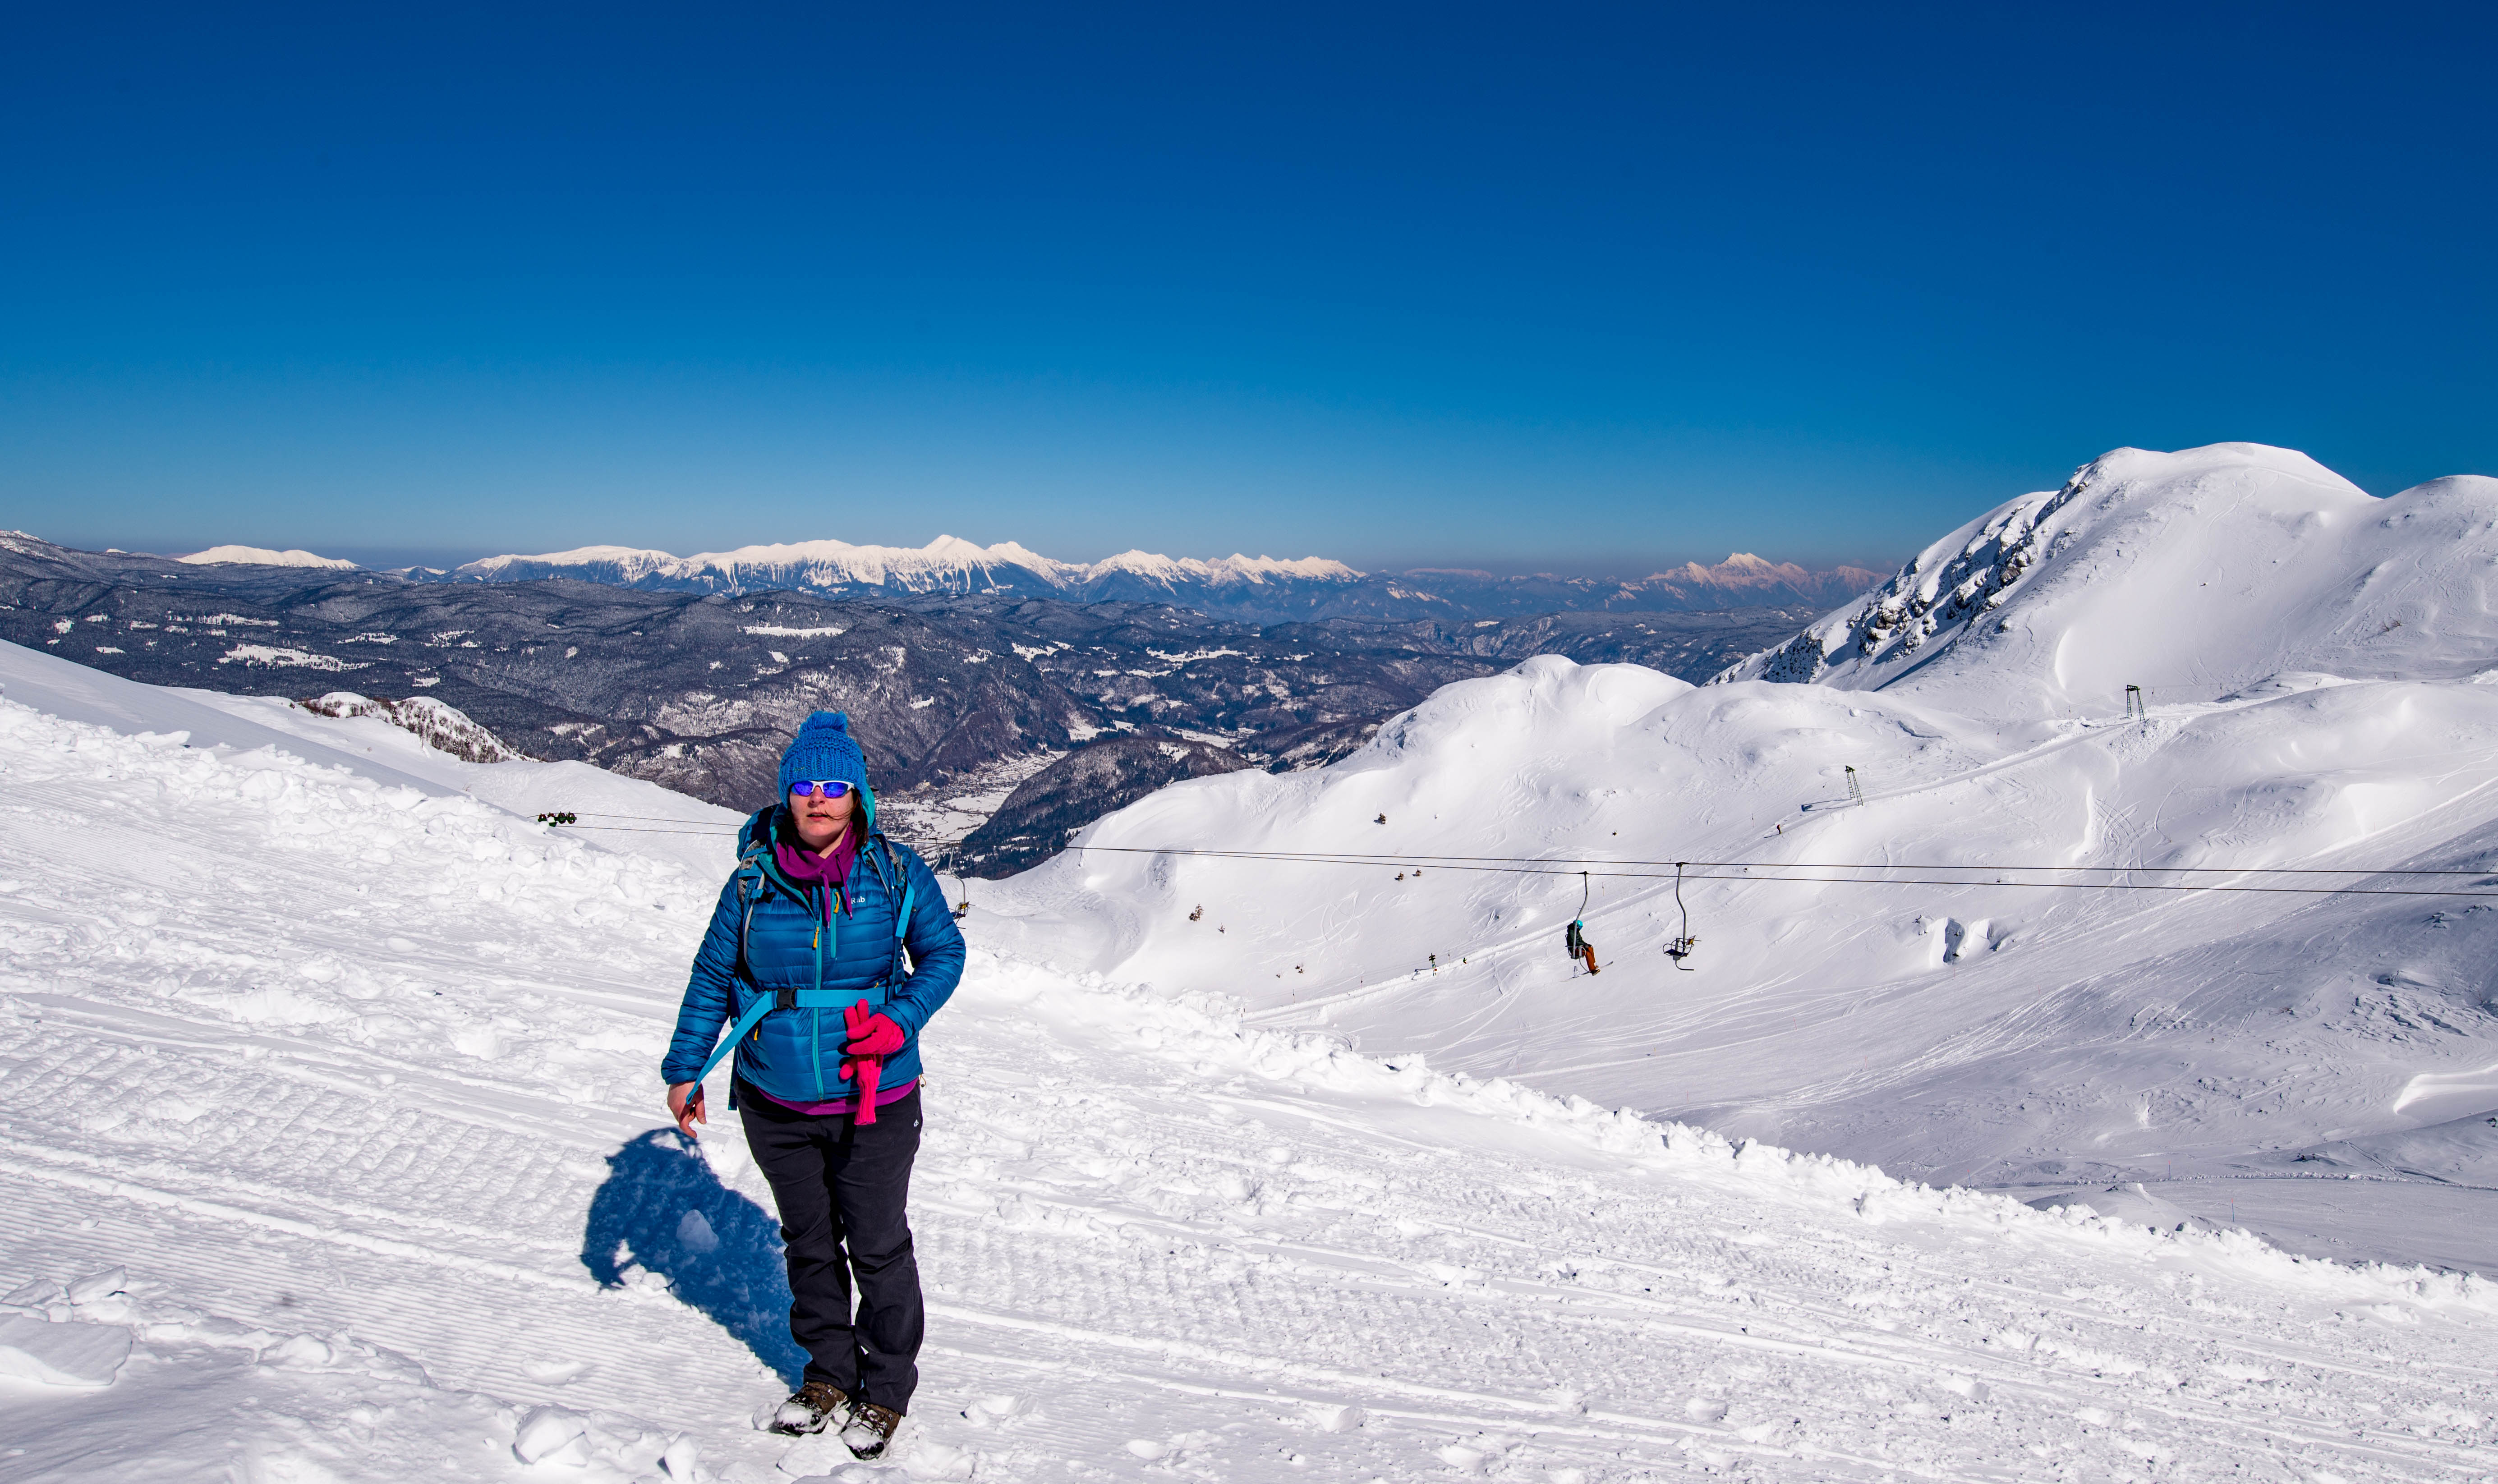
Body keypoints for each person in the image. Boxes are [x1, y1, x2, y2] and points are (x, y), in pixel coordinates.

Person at [661, 711, 965, 1459]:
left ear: (857, 794)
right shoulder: (751, 884)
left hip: (876, 1095)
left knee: (878, 1245)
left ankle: (886, 1390)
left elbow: (943, 955)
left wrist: (899, 1022)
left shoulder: (894, 873)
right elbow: (713, 978)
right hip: (776, 1095)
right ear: (786, 795)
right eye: (804, 786)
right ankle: (829, 1374)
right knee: (808, 1243)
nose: (818, 800)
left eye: (834, 786)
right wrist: (686, 1068)